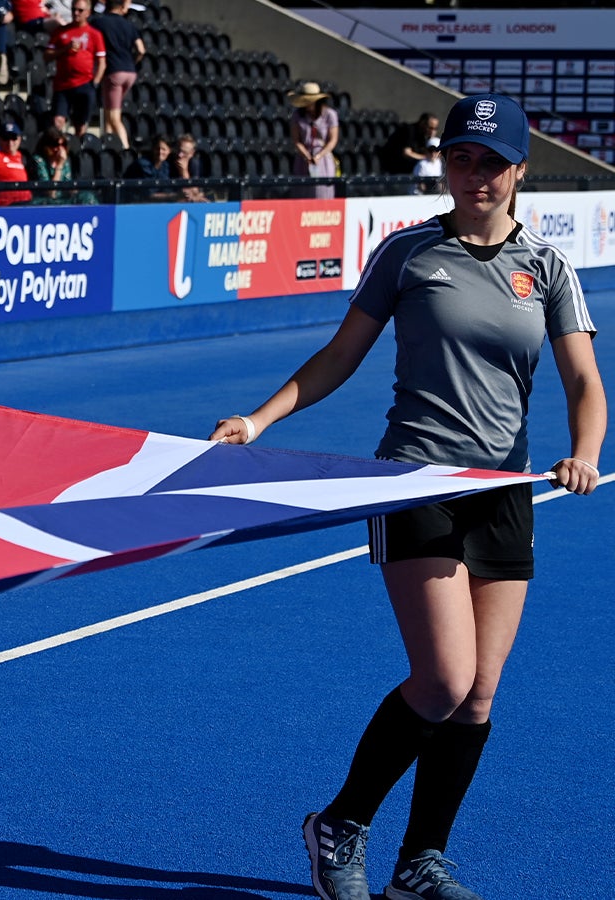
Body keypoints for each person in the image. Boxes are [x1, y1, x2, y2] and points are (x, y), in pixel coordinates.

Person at [210, 93, 605, 900]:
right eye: (461, 158)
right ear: (445, 165)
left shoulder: (550, 269)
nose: (475, 175)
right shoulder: (408, 254)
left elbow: (584, 382)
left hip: (504, 490)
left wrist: (587, 452)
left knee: (480, 693)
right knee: (444, 680)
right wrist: (259, 417)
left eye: (492, 162)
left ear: (521, 170)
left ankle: (420, 863)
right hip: (414, 481)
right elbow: (338, 356)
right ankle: (341, 823)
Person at [45, 1, 105, 135]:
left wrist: (95, 83)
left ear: (88, 13)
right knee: (58, 121)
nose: (76, 13)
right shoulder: (61, 31)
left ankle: (78, 151)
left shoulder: (94, 34)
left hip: (84, 84)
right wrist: (65, 49)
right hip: (63, 85)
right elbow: (47, 56)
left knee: (80, 125)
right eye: (74, 10)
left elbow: (102, 62)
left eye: (80, 10)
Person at [90, 0, 143, 151]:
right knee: (109, 111)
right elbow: (141, 50)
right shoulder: (129, 25)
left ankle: (126, 150)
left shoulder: (99, 22)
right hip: (130, 73)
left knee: (114, 117)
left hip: (113, 73)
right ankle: (108, 146)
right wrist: (133, 61)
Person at [289, 81, 338, 200]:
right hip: (304, 158)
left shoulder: (329, 114)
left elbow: (333, 140)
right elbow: (296, 140)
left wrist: (319, 155)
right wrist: (306, 155)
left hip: (322, 158)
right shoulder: (297, 115)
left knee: (322, 192)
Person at [379, 112, 441, 176]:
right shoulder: (409, 131)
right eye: (430, 128)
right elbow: (407, 153)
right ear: (422, 124)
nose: (433, 131)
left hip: (409, 171)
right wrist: (426, 157)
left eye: (435, 129)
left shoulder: (424, 136)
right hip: (396, 171)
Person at [30, 125, 70, 204]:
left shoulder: (64, 161)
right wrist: (59, 166)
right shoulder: (38, 160)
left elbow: (69, 187)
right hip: (44, 202)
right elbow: (51, 193)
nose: (60, 149)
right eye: (56, 145)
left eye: (63, 145)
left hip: (63, 201)